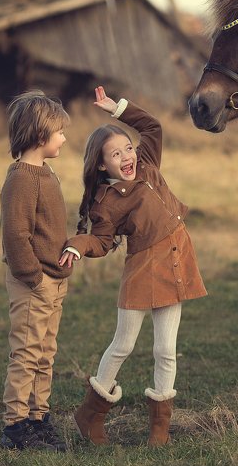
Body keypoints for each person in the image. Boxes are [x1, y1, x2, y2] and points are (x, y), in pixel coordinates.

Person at [60, 86, 206, 447]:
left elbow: (153, 127)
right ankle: (90, 415)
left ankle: (160, 431)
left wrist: (118, 109)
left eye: (128, 148)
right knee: (123, 344)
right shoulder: (105, 203)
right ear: (100, 164)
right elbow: (102, 241)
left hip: (176, 258)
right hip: (142, 269)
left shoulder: (148, 162)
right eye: (115, 154)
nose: (127, 156)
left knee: (166, 350)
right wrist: (78, 246)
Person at [0, 90, 73, 452]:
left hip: (52, 282)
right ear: (41, 135)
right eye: (60, 131)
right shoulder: (22, 179)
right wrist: (35, 277)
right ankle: (16, 426)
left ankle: (38, 417)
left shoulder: (45, 172)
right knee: (26, 353)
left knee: (45, 352)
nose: (64, 137)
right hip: (33, 283)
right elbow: (16, 235)